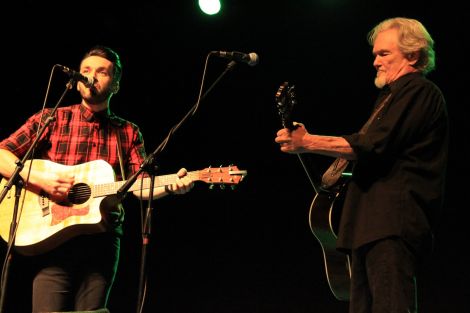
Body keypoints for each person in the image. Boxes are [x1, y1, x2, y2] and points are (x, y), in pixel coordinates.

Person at [0, 45, 194, 312]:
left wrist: (171, 187)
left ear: (115, 84)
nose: (91, 76)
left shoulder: (127, 131)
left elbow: (140, 186)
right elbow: (1, 154)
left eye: (101, 72)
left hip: (101, 240)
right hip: (51, 237)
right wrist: (41, 182)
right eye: (86, 70)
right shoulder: (52, 118)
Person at [275, 17, 448, 313]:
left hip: (392, 223)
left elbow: (375, 145)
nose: (375, 62)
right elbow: (369, 148)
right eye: (375, 55)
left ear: (413, 54)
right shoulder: (389, 98)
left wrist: (309, 142)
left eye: (384, 54)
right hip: (369, 226)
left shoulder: (419, 91)